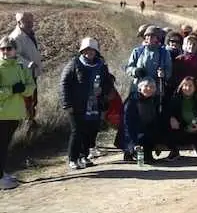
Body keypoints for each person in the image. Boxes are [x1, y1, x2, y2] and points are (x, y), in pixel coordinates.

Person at [61, 37, 114, 169]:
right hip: (77, 104)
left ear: (96, 51)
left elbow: (108, 82)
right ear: (82, 51)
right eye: (86, 50)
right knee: (77, 131)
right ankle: (73, 158)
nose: (89, 53)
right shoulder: (74, 64)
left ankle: (84, 156)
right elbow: (64, 84)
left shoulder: (101, 65)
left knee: (90, 131)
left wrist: (104, 90)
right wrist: (67, 104)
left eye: (92, 50)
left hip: (95, 103)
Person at [0, 37, 35, 189]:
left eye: (9, 48)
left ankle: (2, 173)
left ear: (15, 50)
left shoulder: (21, 67)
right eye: (2, 49)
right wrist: (12, 90)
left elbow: (31, 86)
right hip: (1, 113)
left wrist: (23, 90)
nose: (5, 52)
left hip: (15, 113)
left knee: (5, 145)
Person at [9, 12, 41, 128]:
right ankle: (26, 125)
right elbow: (12, 55)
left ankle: (31, 122)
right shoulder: (15, 37)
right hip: (23, 75)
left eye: (31, 21)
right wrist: (28, 63)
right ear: (19, 22)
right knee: (26, 101)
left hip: (32, 73)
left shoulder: (29, 33)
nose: (30, 24)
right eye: (27, 22)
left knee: (34, 99)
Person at [167, 77, 197, 159]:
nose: (187, 88)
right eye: (185, 85)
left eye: (190, 85)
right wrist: (171, 118)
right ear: (181, 87)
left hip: (195, 126)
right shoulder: (175, 99)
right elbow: (168, 112)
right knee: (167, 128)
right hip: (181, 127)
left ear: (195, 87)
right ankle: (174, 151)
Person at [122, 78, 165, 163]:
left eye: (152, 87)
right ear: (139, 88)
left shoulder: (154, 101)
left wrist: (158, 142)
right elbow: (127, 125)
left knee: (148, 158)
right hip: (133, 134)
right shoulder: (132, 101)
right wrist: (133, 144)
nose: (149, 89)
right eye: (146, 86)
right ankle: (129, 151)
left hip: (146, 133)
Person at [125, 26, 173, 96]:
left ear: (158, 38)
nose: (149, 37)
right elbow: (128, 68)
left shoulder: (164, 53)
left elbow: (169, 71)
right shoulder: (137, 51)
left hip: (155, 92)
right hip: (137, 89)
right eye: (147, 35)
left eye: (153, 36)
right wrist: (135, 71)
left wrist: (163, 74)